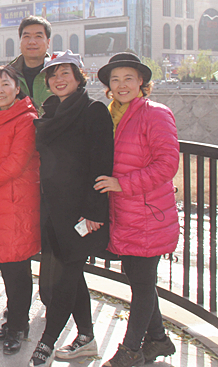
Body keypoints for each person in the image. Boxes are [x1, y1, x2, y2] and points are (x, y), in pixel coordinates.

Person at [28, 51, 113, 366]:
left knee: (65, 278)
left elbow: (102, 164)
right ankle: (87, 337)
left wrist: (94, 213)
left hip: (80, 213)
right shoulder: (50, 112)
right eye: (53, 75)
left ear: (79, 77)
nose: (58, 79)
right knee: (74, 277)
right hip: (52, 210)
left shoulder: (93, 111)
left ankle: (47, 342)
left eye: (65, 73)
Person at [95, 53, 180, 367]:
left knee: (142, 283)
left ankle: (130, 351)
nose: (121, 85)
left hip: (148, 214)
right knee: (136, 277)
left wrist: (122, 184)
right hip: (124, 214)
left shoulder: (155, 114)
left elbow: (167, 164)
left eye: (128, 78)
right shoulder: (111, 114)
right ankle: (158, 339)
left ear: (141, 81)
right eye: (115, 79)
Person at [0, 65, 40, 356]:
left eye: (5, 84)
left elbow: (15, 164)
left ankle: (18, 326)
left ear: (17, 88)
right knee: (7, 264)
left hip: (15, 203)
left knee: (17, 268)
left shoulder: (26, 120)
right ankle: (14, 320)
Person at [9, 16, 53, 110]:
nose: (32, 42)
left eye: (38, 36)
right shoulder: (8, 74)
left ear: (48, 42)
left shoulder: (58, 73)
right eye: (26, 36)